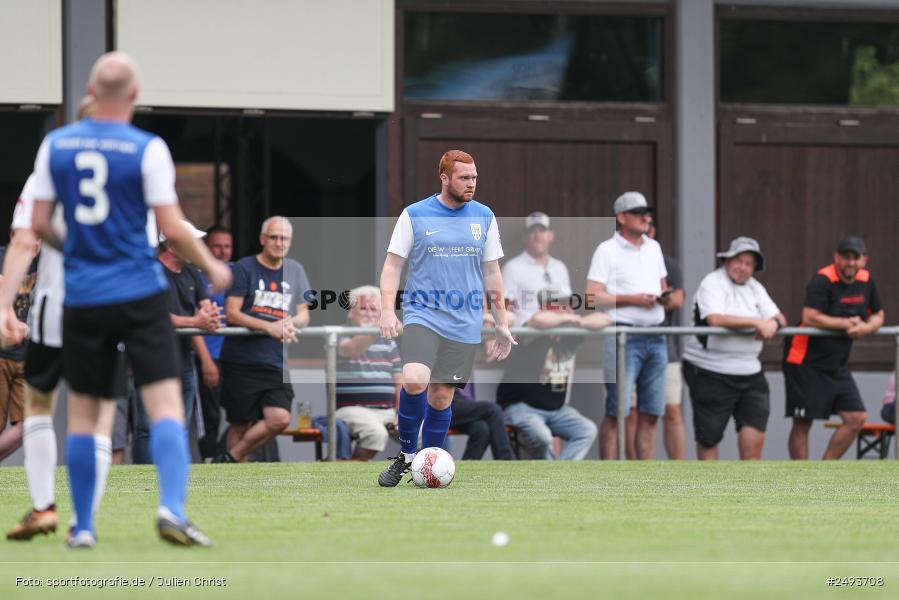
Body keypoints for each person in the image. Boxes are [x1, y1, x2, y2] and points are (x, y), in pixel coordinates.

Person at [29, 52, 231, 547]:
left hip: (84, 296)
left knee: (84, 413)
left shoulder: (57, 144)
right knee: (165, 403)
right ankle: (171, 508)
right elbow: (171, 228)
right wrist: (212, 265)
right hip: (140, 292)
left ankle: (83, 526)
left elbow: (38, 223)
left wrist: (77, 251)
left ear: (91, 91)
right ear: (135, 95)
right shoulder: (148, 149)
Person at [2, 97, 124, 541]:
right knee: (97, 418)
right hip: (110, 308)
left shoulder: (49, 168)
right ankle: (84, 524)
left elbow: (24, 241)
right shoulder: (132, 170)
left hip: (55, 308)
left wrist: (4, 306)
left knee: (38, 408)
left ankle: (44, 507)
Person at [377, 149, 515, 486]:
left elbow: (492, 273)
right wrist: (387, 310)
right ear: (444, 178)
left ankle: (428, 467)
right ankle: (407, 456)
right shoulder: (414, 214)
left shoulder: (484, 216)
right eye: (464, 178)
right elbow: (392, 266)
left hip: (465, 322)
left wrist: (501, 323)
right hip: (422, 314)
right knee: (414, 379)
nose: (471, 184)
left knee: (441, 397)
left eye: (474, 178)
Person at [215, 216, 310, 464]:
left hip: (275, 361)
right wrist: (270, 327)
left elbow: (304, 314)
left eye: (284, 238)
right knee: (240, 424)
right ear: (262, 239)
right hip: (241, 360)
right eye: (274, 237)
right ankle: (232, 475)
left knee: (279, 418)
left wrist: (289, 323)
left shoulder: (295, 269)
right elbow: (232, 313)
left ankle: (229, 458)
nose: (279, 243)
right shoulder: (243, 268)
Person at [682, 237, 786, 460]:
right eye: (739, 261)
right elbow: (715, 319)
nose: (743, 267)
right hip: (710, 369)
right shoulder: (712, 282)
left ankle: (747, 481)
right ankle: (711, 483)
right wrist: (757, 322)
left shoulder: (756, 288)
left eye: (749, 264)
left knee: (755, 424)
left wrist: (773, 324)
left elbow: (779, 317)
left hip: (750, 370)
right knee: (709, 436)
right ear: (727, 260)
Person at [586, 192, 672, 459]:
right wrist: (634, 299)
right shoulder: (606, 249)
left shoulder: (654, 247)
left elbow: (663, 287)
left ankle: (645, 475)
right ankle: (609, 474)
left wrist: (664, 297)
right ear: (622, 218)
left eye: (647, 213)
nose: (646, 218)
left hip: (656, 334)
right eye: (639, 213)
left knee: (651, 413)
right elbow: (591, 297)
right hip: (622, 335)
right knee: (617, 412)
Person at [783, 235, 884, 460]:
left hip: (836, 365)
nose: (850, 263)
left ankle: (823, 472)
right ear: (836, 257)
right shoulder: (823, 279)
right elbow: (809, 316)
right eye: (846, 257)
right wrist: (846, 324)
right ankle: (801, 476)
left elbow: (878, 314)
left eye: (855, 258)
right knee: (803, 422)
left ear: (864, 260)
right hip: (804, 361)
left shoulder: (866, 280)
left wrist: (867, 328)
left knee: (856, 417)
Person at [496, 287, 611, 460]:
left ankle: (558, 473)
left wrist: (576, 320)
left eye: (568, 304)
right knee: (543, 437)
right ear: (545, 306)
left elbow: (606, 319)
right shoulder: (533, 330)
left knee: (586, 430)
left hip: (557, 410)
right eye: (560, 304)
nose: (567, 308)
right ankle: (554, 473)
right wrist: (571, 319)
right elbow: (538, 319)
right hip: (521, 406)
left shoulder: (571, 331)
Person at [626, 217, 686, 460]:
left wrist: (660, 299)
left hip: (663, 346)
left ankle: (677, 470)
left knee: (671, 409)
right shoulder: (619, 259)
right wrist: (635, 299)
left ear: (653, 231)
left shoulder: (667, 262)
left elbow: (678, 299)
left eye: (648, 228)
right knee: (630, 412)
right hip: (628, 343)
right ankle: (633, 470)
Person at [335, 285, 402, 461]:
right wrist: (377, 327)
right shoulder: (339, 334)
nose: (370, 314)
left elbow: (399, 382)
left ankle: (407, 469)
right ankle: (347, 469)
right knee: (376, 433)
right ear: (351, 312)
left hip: (387, 412)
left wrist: (400, 413)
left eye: (374, 310)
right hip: (351, 409)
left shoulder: (389, 342)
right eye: (364, 308)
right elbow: (350, 349)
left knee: (419, 433)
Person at [0, 230, 38, 463]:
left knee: (28, 425)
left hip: (25, 356)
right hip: (1, 352)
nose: (36, 243)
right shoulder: (3, 256)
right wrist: (12, 320)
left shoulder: (43, 265)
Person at [196, 226, 232, 459]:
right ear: (206, 248)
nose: (222, 251)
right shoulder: (196, 275)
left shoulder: (238, 273)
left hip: (234, 357)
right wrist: (206, 361)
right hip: (208, 357)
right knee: (210, 417)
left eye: (227, 246)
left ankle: (229, 460)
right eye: (217, 246)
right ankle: (207, 462)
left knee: (242, 414)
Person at [448, 379, 515, 461]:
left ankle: (468, 465)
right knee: (493, 409)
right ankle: (506, 460)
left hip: (460, 405)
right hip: (445, 404)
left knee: (481, 428)